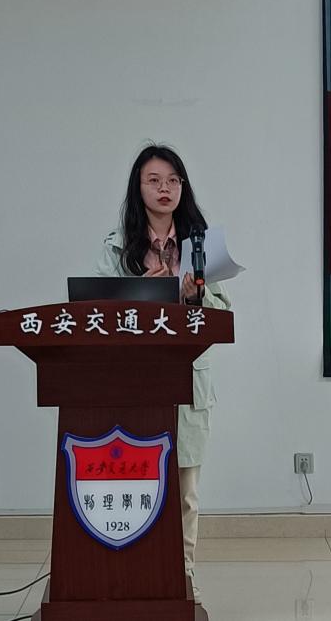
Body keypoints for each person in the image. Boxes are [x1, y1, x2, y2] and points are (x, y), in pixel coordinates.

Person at [94, 143, 231, 605]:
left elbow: (222, 315)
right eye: (154, 180)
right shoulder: (117, 247)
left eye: (173, 180)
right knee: (135, 485)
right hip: (133, 384)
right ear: (139, 188)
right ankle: (130, 577)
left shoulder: (200, 246)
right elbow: (94, 312)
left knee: (185, 494)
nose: (164, 188)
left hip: (186, 382)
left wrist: (194, 296)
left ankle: (182, 579)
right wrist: (141, 294)